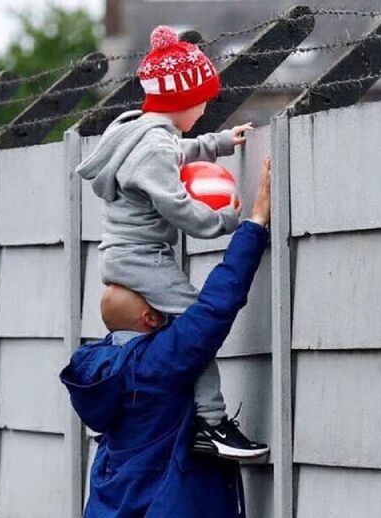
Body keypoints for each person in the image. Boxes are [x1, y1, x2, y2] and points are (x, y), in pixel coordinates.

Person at [74, 23, 266, 459]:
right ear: (182, 100)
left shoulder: (139, 132)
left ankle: (130, 411)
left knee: (159, 336)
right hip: (142, 258)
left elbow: (177, 150)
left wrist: (218, 143)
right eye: (201, 101)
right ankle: (212, 423)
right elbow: (178, 207)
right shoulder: (155, 148)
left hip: (125, 255)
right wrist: (225, 220)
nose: (204, 109)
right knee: (197, 327)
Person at [60, 158, 272, 517]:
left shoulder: (101, 369)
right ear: (149, 316)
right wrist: (253, 225)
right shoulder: (155, 362)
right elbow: (214, 308)